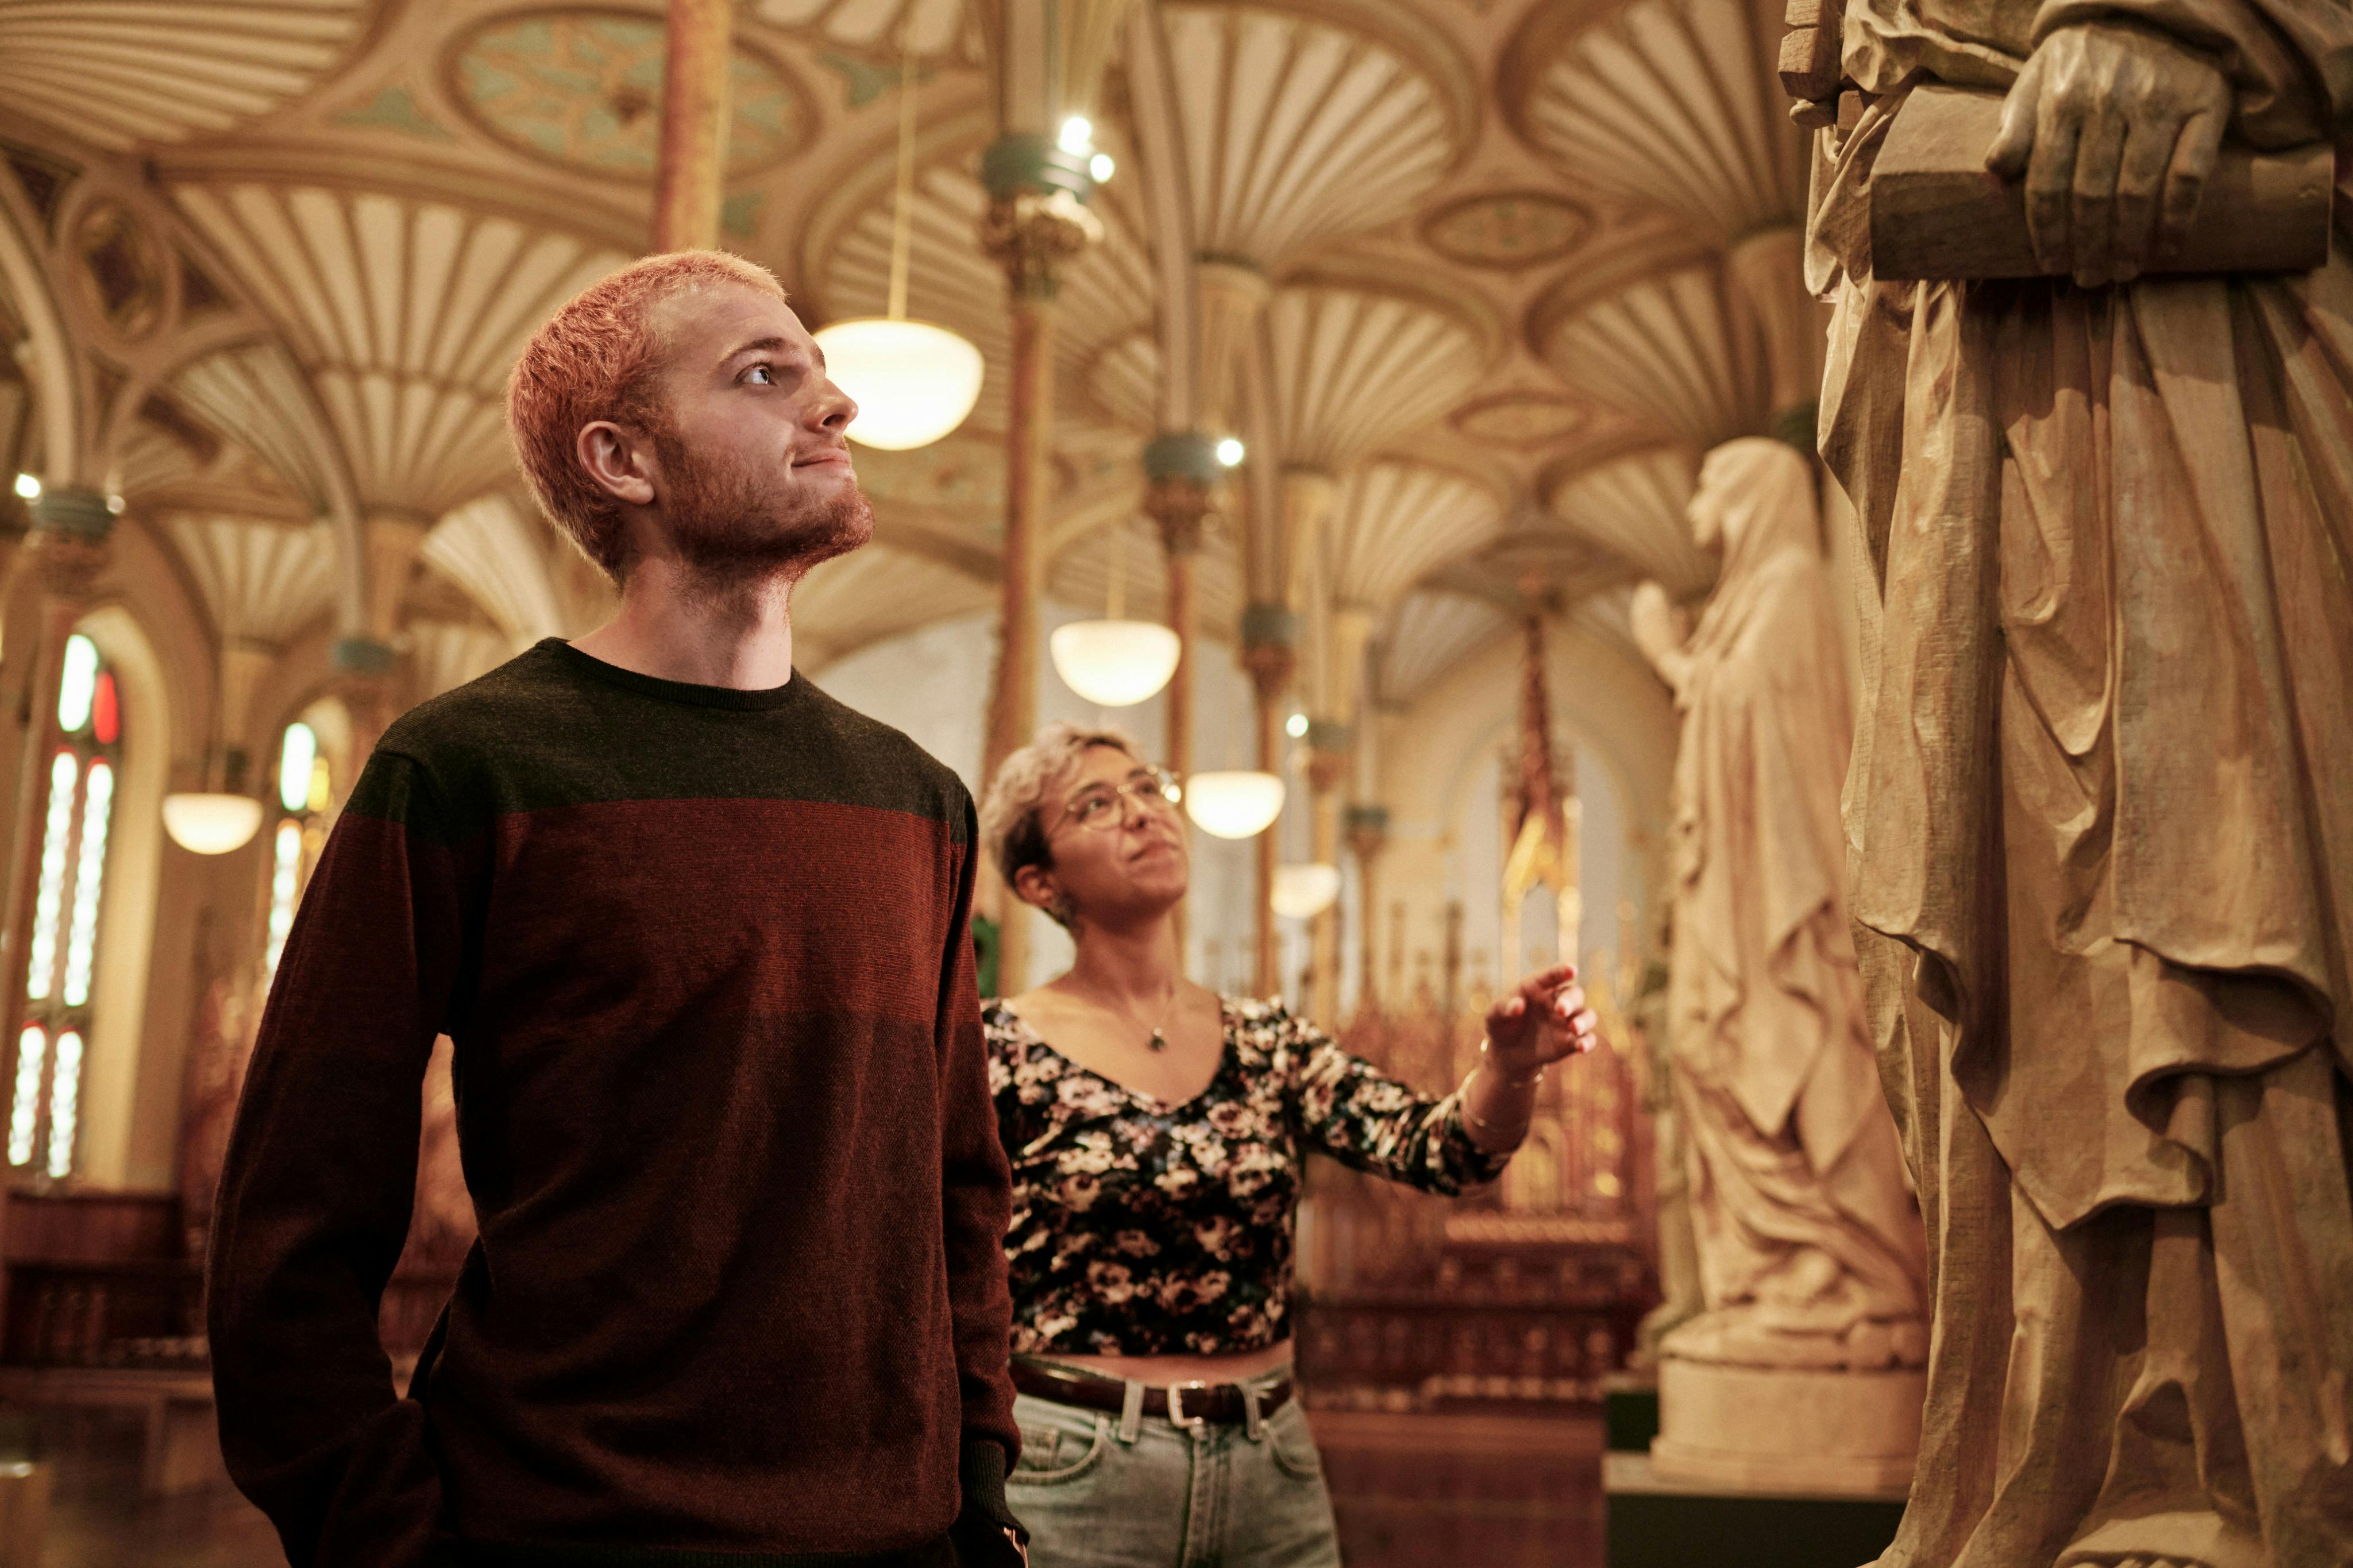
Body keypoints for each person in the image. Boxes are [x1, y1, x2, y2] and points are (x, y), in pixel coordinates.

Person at [206, 250, 1025, 1568]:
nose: (837, 407)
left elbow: (957, 1187)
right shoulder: (469, 767)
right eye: (767, 375)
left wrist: (978, 1485)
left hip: (899, 1539)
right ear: (621, 461)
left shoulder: (913, 797)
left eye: (822, 373)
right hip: (559, 1527)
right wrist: (385, 1534)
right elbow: (290, 1221)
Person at [1809, 9, 2353, 1565]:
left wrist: (2211, 19)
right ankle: (2064, 1457)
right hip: (1980, 371)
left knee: (2237, 867)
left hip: (2231, 333)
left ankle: (2254, 1480)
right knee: (2031, 923)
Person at [975, 723, 1600, 1567]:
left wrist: (1512, 1066)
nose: (1141, 813)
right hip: (1078, 1466)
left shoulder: (1267, 1040)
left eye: (1148, 787)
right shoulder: (996, 1047)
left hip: (1269, 1460)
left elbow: (1441, 1150)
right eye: (1096, 803)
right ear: (1039, 880)